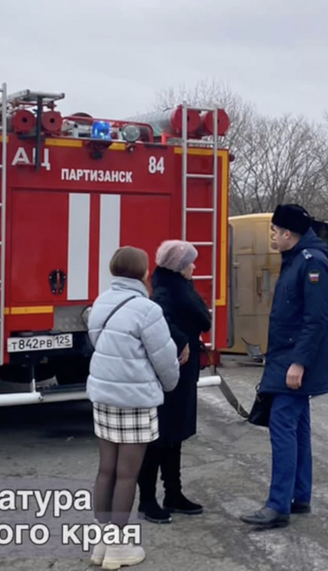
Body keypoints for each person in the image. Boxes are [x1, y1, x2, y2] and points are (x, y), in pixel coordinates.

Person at [241, 204, 328, 529]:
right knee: (298, 428)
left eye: (275, 232)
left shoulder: (312, 264)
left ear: (288, 234)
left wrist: (298, 363)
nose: (272, 237)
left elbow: (316, 319)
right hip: (286, 358)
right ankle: (299, 495)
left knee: (282, 428)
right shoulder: (297, 259)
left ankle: (277, 505)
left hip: (294, 362)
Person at [86, 246, 181, 569]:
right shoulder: (146, 309)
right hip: (135, 400)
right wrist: (170, 384)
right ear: (143, 273)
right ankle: (118, 548)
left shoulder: (101, 301)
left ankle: (100, 543)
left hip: (103, 395)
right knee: (128, 474)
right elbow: (165, 359)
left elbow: (99, 342)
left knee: (106, 470)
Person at [137, 240, 212, 524]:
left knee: (175, 434)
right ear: (179, 266)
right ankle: (147, 499)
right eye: (190, 262)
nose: (194, 266)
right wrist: (181, 340)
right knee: (160, 435)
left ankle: (173, 493)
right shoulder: (166, 288)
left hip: (183, 371)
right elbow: (158, 318)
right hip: (170, 370)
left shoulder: (179, 285)